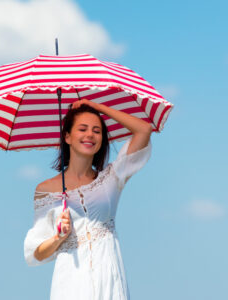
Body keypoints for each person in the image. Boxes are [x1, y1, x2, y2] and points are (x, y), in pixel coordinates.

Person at [24, 99, 152, 300]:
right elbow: (36, 253)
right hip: (71, 283)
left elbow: (144, 129)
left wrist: (98, 107)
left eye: (97, 130)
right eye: (82, 129)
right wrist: (58, 237)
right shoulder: (46, 189)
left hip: (109, 278)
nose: (90, 135)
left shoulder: (111, 178)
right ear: (67, 136)